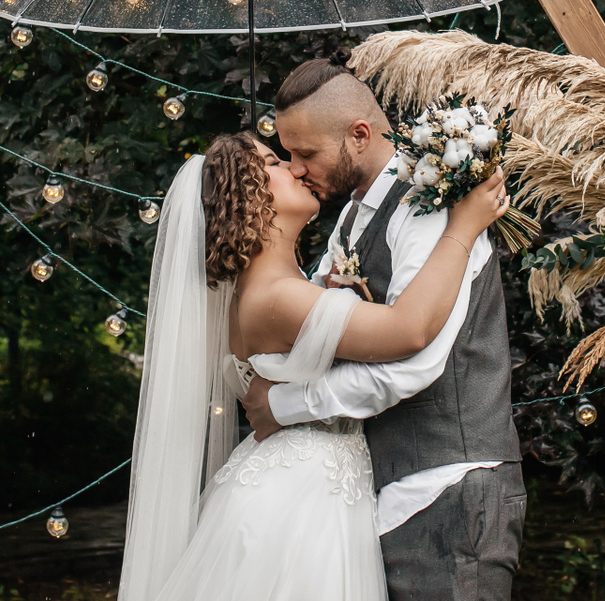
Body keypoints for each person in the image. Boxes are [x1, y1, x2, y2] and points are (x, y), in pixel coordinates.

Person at [116, 124, 510, 601]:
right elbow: (407, 330)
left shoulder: (283, 287)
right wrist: (463, 229)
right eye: (273, 163)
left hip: (301, 487)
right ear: (248, 198)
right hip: (298, 505)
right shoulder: (278, 297)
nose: (294, 168)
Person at [243, 56, 527, 601]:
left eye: (306, 153)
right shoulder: (352, 217)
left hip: (449, 483)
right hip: (387, 486)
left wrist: (282, 406)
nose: (296, 168)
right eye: (288, 155)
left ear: (358, 135)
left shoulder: (432, 206)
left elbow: (413, 364)